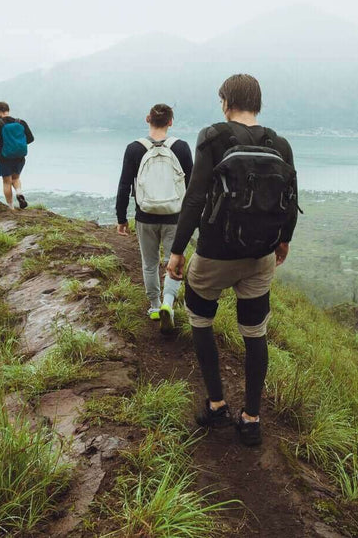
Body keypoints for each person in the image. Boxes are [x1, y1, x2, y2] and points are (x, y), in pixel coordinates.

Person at [167, 74, 298, 446]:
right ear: (258, 103)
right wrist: (283, 241)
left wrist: (178, 250)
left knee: (200, 317)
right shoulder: (280, 143)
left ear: (226, 102)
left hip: (215, 253)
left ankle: (216, 403)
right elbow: (291, 196)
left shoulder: (213, 136)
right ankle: (252, 417)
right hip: (260, 255)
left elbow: (195, 198)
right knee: (255, 332)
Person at [116, 104, 193, 331]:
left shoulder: (134, 149)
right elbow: (193, 186)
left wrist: (121, 218)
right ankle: (168, 303)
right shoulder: (181, 147)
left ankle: (154, 306)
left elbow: (123, 186)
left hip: (145, 216)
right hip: (175, 217)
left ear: (147, 119)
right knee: (173, 261)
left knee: (149, 263)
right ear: (171, 121)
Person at [0, 101, 34, 210]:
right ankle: (19, 193)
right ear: (8, 110)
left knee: (7, 182)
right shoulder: (21, 122)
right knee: (16, 178)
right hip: (20, 157)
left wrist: (1, 142)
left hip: (5, 157)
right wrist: (18, 144)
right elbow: (31, 139)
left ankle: (11, 207)